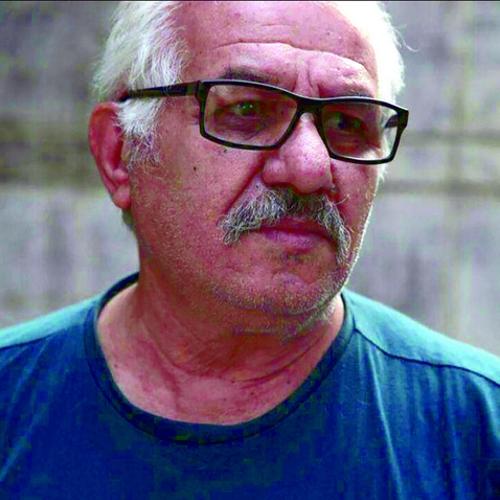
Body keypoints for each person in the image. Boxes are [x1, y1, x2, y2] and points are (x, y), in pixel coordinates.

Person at [0, 1, 498, 498]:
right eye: (247, 110)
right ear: (120, 153)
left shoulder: (478, 431)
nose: (310, 168)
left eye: (347, 123)